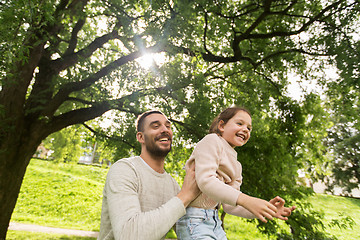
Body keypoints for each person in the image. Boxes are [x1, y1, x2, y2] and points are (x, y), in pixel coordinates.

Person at [176, 106, 296, 240]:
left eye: (249, 128)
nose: (245, 129)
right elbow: (206, 181)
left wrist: (266, 209)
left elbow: (230, 206)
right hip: (195, 220)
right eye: (240, 123)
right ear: (222, 125)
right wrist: (247, 200)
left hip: (215, 222)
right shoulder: (211, 141)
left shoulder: (237, 166)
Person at [98, 110, 200, 240]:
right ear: (141, 137)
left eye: (168, 126)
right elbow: (128, 235)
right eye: (156, 126)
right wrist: (185, 195)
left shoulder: (172, 185)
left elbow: (189, 232)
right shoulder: (125, 169)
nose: (165, 130)